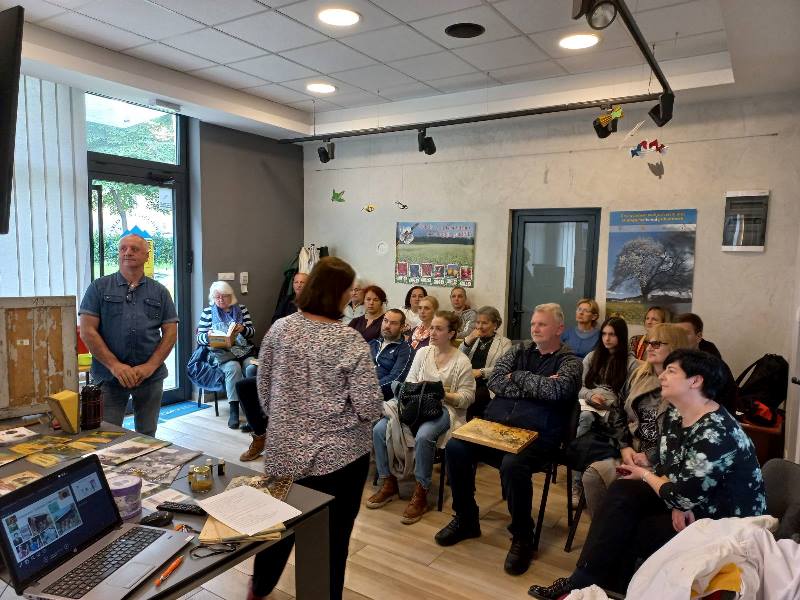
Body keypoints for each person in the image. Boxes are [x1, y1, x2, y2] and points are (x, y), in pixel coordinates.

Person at [529, 350, 767, 599]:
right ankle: (582, 582)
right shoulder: (676, 413)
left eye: (671, 371)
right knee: (622, 490)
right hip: (692, 500)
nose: (661, 376)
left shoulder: (715, 432)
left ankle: (606, 589)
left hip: (723, 522)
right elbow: (670, 464)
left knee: (633, 528)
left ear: (695, 381)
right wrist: (670, 494)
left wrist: (651, 479)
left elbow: (683, 495)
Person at [250, 257, 382, 600]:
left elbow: (262, 388)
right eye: (350, 290)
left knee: (276, 526)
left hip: (283, 451)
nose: (352, 296)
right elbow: (369, 406)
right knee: (330, 541)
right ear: (337, 293)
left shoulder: (280, 329)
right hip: (339, 459)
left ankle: (259, 588)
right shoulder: (349, 341)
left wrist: (287, 421)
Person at [434, 304, 582, 576]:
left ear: (559, 329)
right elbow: (495, 381)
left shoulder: (570, 362)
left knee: (513, 465)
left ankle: (523, 536)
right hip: (497, 426)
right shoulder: (519, 349)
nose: (535, 328)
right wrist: (536, 386)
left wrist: (519, 376)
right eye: (533, 323)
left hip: (538, 436)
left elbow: (558, 390)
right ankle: (466, 518)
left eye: (542, 324)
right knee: (456, 446)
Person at [368, 311, 475, 524]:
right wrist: (422, 389)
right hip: (414, 405)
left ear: (451, 333)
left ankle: (421, 490)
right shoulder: (423, 353)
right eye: (431, 327)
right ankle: (388, 482)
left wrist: (443, 395)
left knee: (425, 436)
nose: (432, 332)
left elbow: (467, 397)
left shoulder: (461, 361)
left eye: (438, 329)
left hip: (442, 409)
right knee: (379, 428)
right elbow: (409, 382)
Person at [581, 323, 691, 516]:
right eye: (648, 343)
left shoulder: (686, 386)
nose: (648, 348)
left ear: (675, 346)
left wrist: (650, 456)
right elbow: (618, 410)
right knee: (592, 475)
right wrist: (625, 446)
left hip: (664, 463)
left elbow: (683, 436)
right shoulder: (640, 375)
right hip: (632, 450)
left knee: (623, 493)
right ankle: (605, 528)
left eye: (656, 344)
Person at [78, 234, 177, 438]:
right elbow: (87, 331)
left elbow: (170, 333)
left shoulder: (160, 292)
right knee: (106, 435)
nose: (127, 252)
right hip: (109, 376)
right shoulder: (98, 288)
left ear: (147, 256)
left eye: (134, 249)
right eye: (123, 248)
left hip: (150, 377)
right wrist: (115, 366)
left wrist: (150, 366)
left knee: (147, 435)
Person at [571, 316, 639, 503]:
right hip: (590, 403)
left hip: (614, 409)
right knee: (585, 417)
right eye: (604, 334)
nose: (607, 338)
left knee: (595, 422)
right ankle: (577, 483)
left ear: (621, 336)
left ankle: (591, 478)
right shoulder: (592, 356)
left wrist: (610, 404)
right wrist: (591, 396)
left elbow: (630, 398)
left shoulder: (631, 363)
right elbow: (580, 387)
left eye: (612, 335)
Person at [196, 281, 258, 428]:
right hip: (221, 353)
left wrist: (243, 329)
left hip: (243, 351)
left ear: (231, 296)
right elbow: (199, 338)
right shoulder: (208, 312)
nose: (220, 300)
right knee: (233, 367)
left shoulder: (242, 310)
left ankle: (253, 409)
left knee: (252, 368)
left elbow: (252, 332)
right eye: (217, 297)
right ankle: (234, 410)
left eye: (224, 296)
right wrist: (208, 337)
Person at [674, 312, 737, 413]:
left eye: (685, 334)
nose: (679, 338)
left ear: (699, 337)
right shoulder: (675, 360)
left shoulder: (713, 368)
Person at [459, 306, 512, 420]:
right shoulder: (473, 339)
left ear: (495, 325)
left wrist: (481, 372)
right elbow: (457, 358)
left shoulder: (505, 343)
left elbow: (504, 369)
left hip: (487, 384)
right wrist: (468, 340)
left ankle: (467, 426)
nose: (479, 326)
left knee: (472, 397)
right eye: (478, 322)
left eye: (484, 323)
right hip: (468, 380)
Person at [369, 309, 413, 400]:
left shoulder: (405, 349)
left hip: (380, 397)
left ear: (402, 327)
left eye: (393, 323)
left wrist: (369, 389)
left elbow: (395, 379)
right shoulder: (373, 343)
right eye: (385, 321)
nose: (387, 326)